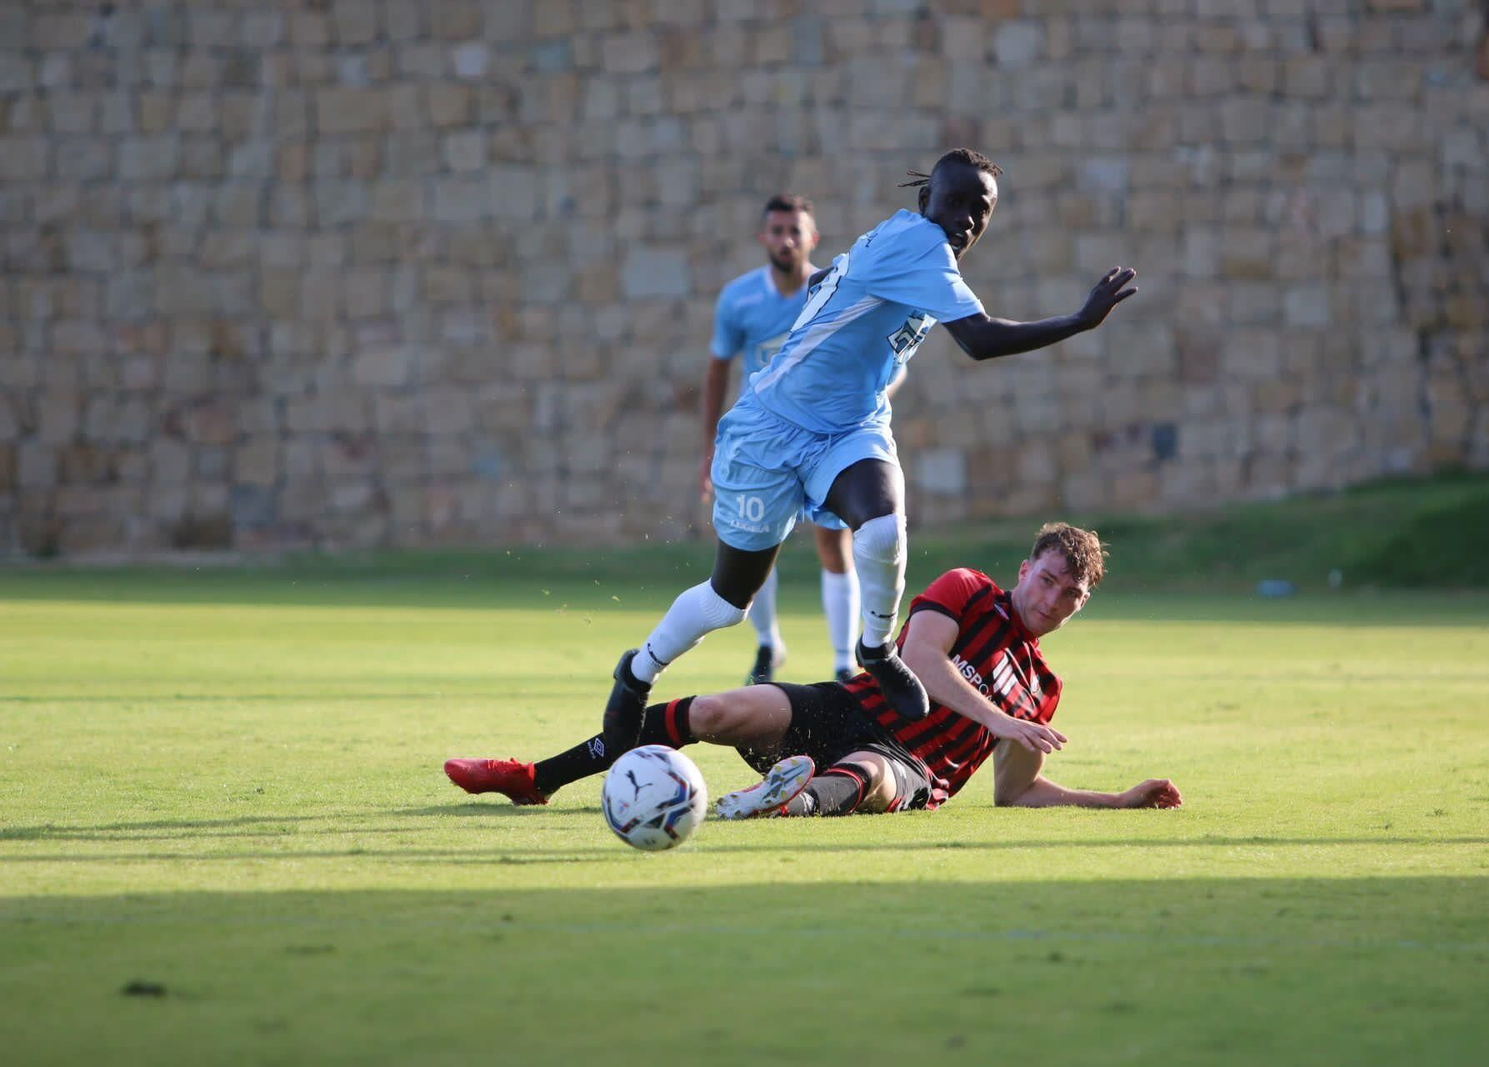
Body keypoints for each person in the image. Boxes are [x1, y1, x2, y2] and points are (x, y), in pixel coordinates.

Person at [602, 147, 1139, 761]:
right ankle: (637, 672)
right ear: (926, 201)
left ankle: (877, 648)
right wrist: (1078, 321)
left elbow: (833, 283)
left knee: (883, 527)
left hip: (851, 426)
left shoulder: (906, 240)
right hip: (771, 430)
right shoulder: (921, 245)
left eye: (980, 208)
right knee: (728, 603)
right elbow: (979, 340)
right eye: (954, 201)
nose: (965, 218)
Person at [445, 523, 1182, 818]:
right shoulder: (969, 589)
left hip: (912, 767)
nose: (1052, 600)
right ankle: (536, 778)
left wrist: (1117, 800)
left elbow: (1013, 792)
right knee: (714, 711)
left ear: (1080, 605)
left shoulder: (1042, 689)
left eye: (1070, 595)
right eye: (1047, 580)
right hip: (846, 706)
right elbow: (919, 660)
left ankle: (775, 803)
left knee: (869, 771)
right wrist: (997, 719)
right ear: (1025, 570)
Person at [701, 194, 864, 685]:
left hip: (820, 438)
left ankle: (845, 662)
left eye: (796, 231)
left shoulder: (833, 292)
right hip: (762, 441)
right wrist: (709, 447)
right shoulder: (739, 299)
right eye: (777, 230)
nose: (786, 240)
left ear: (813, 238)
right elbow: (717, 370)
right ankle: (768, 644)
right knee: (756, 541)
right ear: (762, 238)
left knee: (834, 543)